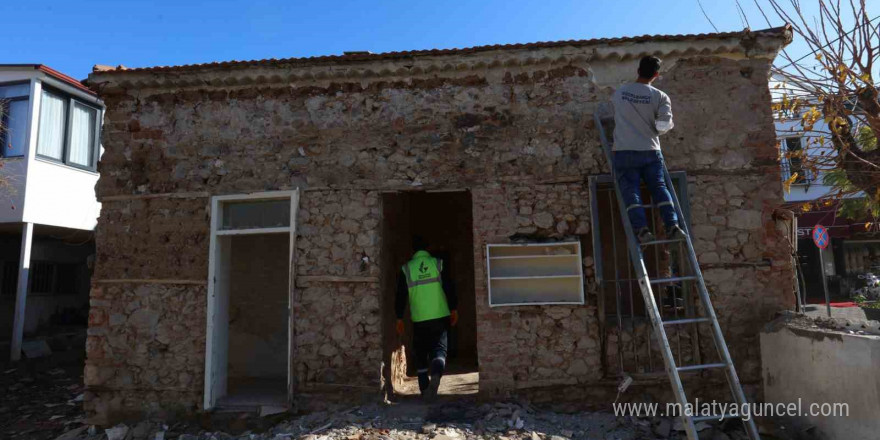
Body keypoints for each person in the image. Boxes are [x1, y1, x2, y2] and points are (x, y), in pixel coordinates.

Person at [611, 55, 687, 243]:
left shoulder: (620, 93)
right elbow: (662, 126)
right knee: (659, 187)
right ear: (656, 74)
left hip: (624, 149)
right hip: (650, 150)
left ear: (638, 71)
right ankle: (672, 225)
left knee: (631, 190)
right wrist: (666, 124)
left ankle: (642, 230)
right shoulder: (660, 97)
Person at [395, 236, 458, 399]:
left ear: (413, 250)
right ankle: (436, 374)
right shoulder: (437, 263)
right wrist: (454, 309)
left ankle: (424, 388)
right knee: (440, 350)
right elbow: (449, 287)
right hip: (440, 315)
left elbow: (400, 295)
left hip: (419, 318)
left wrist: (399, 317)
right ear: (427, 248)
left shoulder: (407, 268)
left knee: (421, 352)